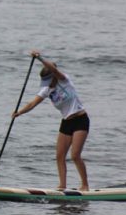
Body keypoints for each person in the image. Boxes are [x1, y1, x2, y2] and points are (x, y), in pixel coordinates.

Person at [13, 51, 90, 191]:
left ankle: (85, 185)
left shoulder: (64, 80)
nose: (47, 84)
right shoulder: (46, 90)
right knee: (59, 156)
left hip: (80, 119)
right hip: (66, 122)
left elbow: (53, 69)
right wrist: (18, 113)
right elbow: (32, 104)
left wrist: (39, 58)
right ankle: (62, 186)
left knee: (75, 155)